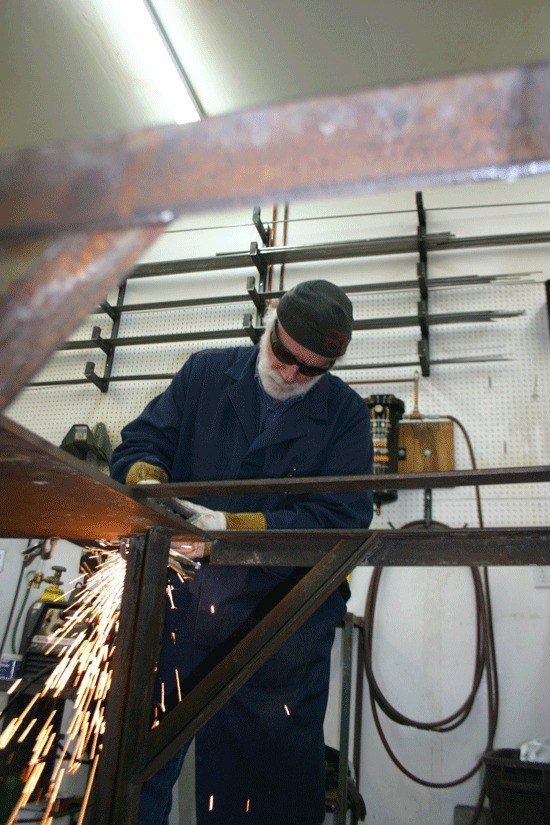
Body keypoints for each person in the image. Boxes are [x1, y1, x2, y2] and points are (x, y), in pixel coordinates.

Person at [110, 279, 374, 825]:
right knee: (140, 763)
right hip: (181, 603)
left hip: (277, 622)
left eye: (310, 370)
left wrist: (232, 527)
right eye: (283, 355)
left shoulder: (346, 416)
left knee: (260, 788)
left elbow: (341, 519)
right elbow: (141, 444)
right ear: (271, 322)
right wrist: (150, 483)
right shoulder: (205, 374)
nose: (289, 374)